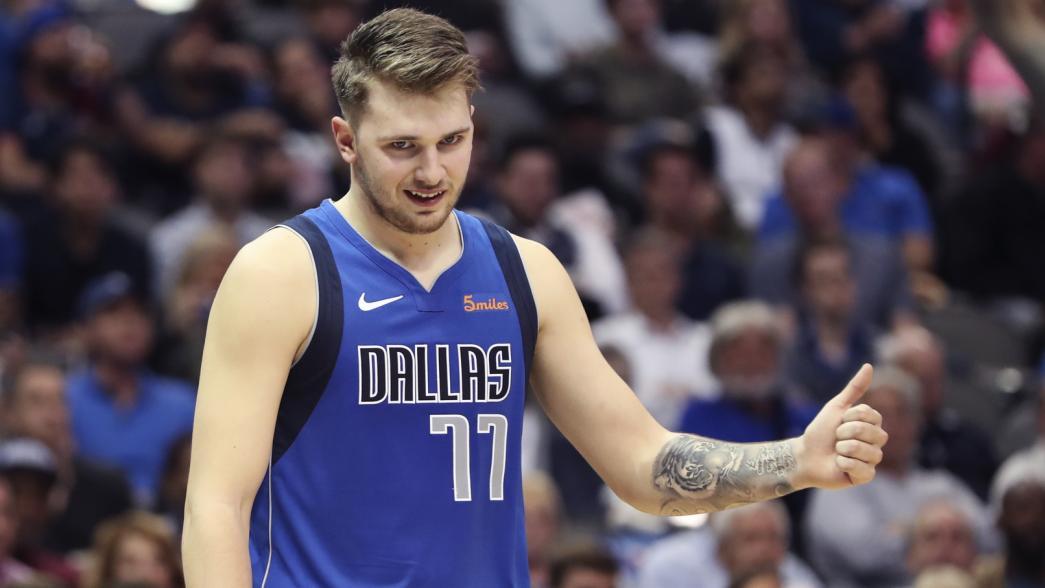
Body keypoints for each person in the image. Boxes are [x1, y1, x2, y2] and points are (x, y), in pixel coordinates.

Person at [182, 9, 889, 586]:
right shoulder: (281, 273)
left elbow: (643, 466)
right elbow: (217, 506)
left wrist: (795, 460)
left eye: (452, 140)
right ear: (345, 140)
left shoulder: (526, 272)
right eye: (402, 147)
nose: (432, 171)